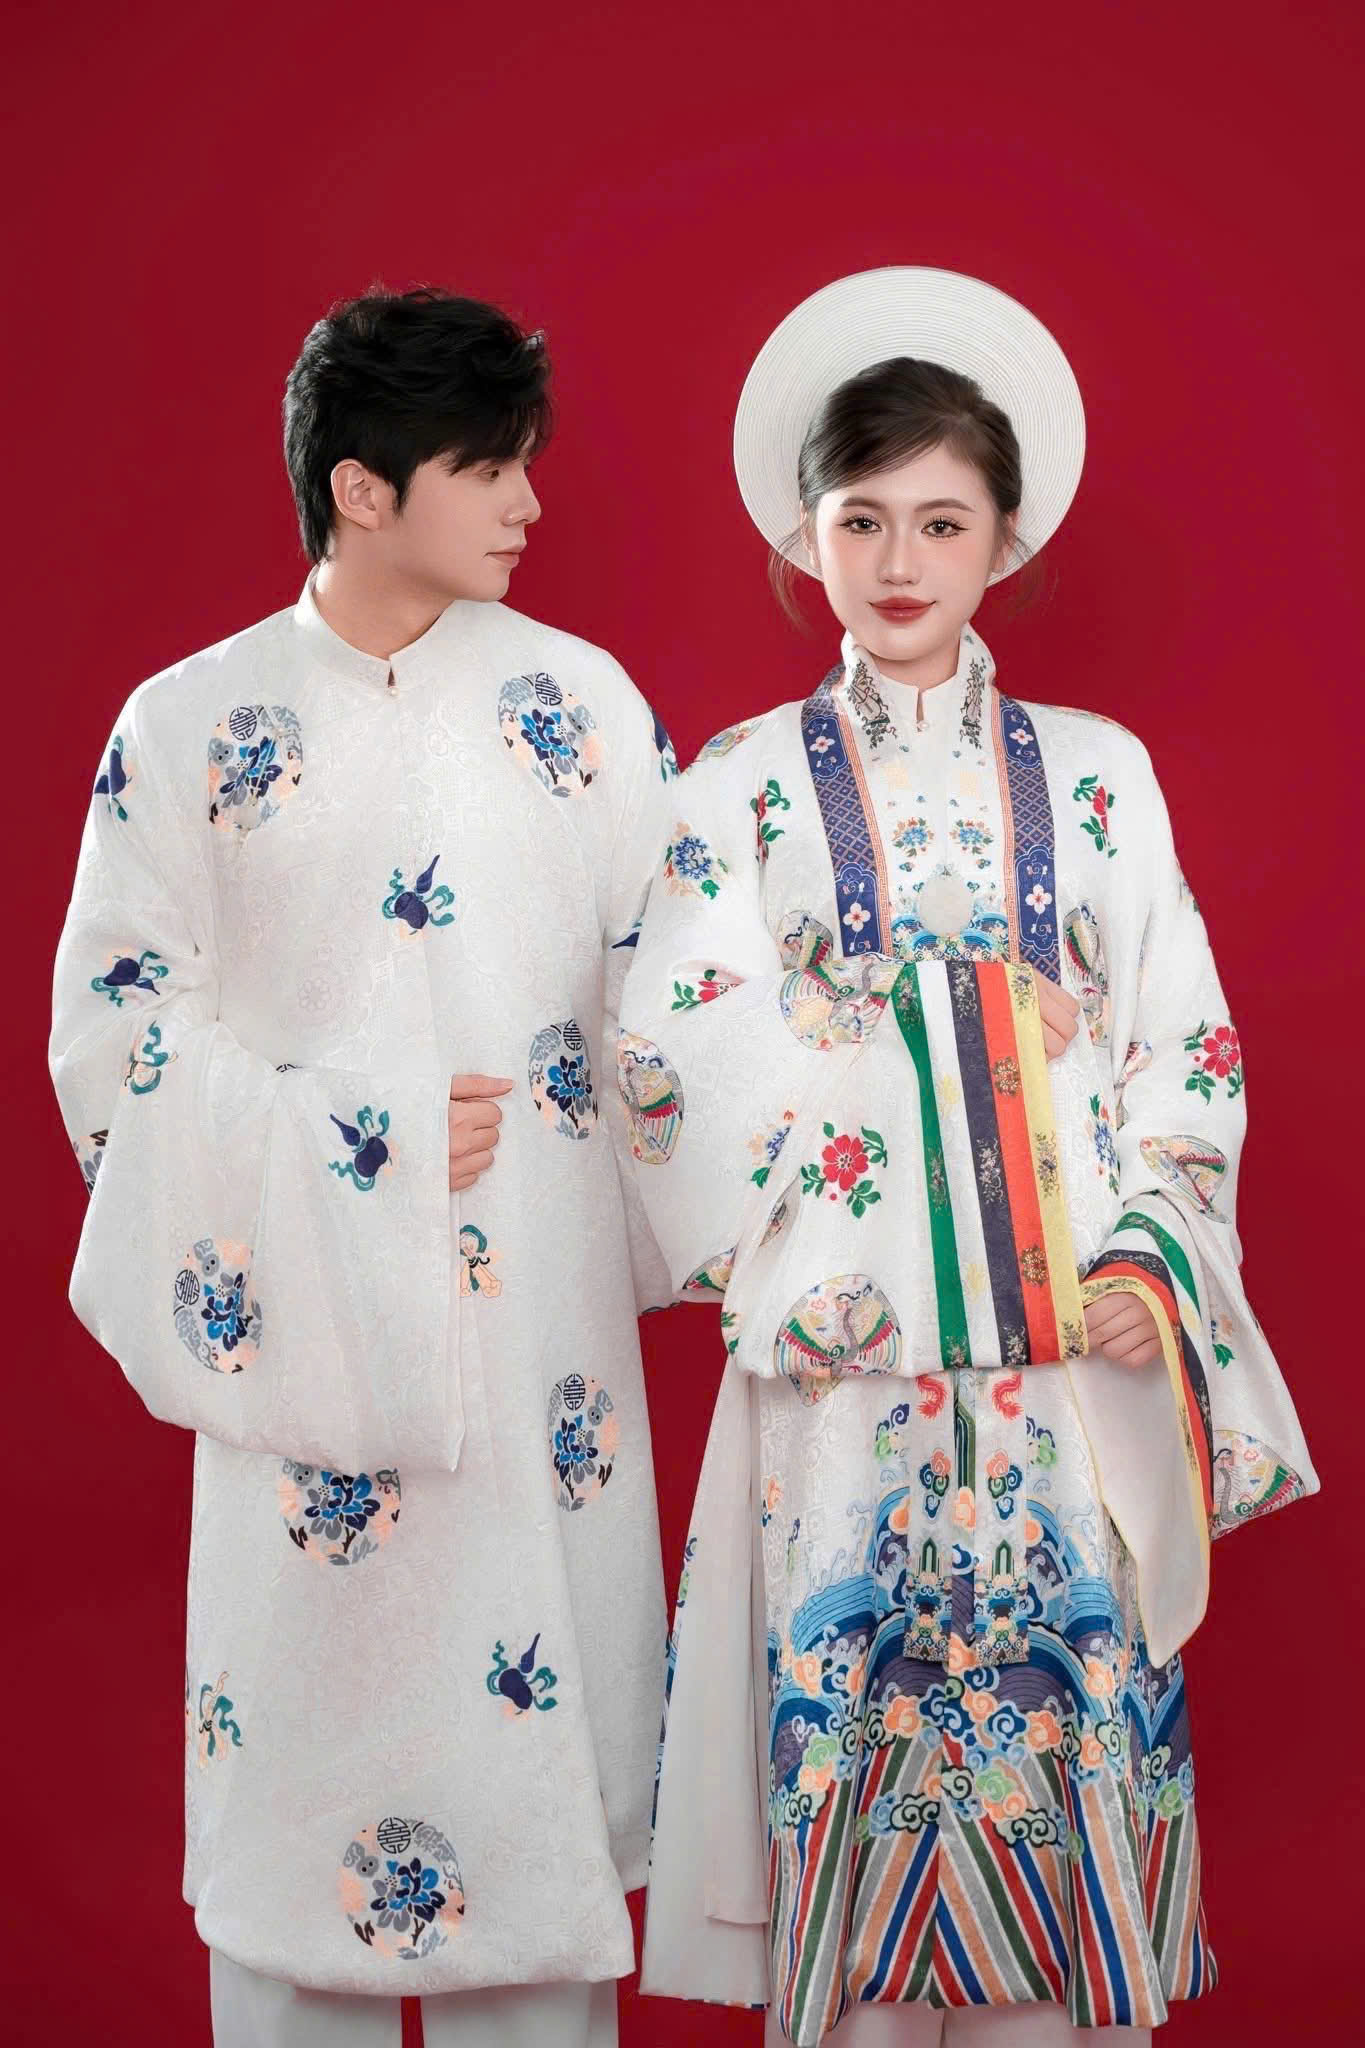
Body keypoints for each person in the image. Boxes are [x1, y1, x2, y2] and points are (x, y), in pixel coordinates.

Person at [619, 268, 1317, 2046]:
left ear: (1007, 539)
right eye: (860, 519)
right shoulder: (738, 785)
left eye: (941, 521)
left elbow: (1183, 1046)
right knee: (853, 1828)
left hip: (1062, 1358)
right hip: (846, 1374)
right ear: (802, 533)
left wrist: (1149, 1261)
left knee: (1061, 1807)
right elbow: (667, 1055)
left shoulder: (1098, 778)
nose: (898, 560)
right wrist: (954, 1024)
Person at [49, 287, 676, 2047]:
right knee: (292, 1882)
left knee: (536, 1875)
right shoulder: (190, 725)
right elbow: (114, 1039)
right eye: (489, 467)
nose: (529, 504)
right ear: (362, 487)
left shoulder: (583, 709)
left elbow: (686, 1005)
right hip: (305, 1378)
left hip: (538, 1363)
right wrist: (354, 1136)